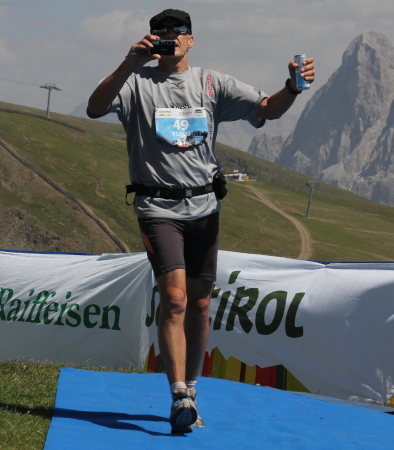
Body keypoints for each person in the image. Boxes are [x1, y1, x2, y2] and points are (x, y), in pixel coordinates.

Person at [87, 8, 315, 434]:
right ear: (150, 39)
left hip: (204, 208)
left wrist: (292, 88)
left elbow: (268, 109)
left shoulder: (212, 84)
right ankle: (177, 394)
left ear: (191, 40)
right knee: (174, 298)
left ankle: (191, 391)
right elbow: (95, 108)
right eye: (160, 32)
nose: (169, 37)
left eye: (177, 32)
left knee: (201, 304)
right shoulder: (134, 80)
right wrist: (129, 61)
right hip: (157, 209)